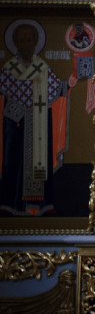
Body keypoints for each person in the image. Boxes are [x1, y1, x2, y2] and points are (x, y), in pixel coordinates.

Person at [1, 21, 76, 215]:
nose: (26, 44)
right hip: (15, 121)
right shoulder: (10, 68)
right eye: (22, 40)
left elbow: (55, 88)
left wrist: (68, 83)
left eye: (29, 40)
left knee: (40, 161)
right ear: (16, 43)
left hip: (38, 119)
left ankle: (42, 204)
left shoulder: (42, 67)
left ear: (35, 42)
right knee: (13, 161)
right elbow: (6, 87)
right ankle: (10, 204)